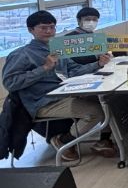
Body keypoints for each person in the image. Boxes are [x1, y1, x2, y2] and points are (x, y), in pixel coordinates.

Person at [2, 11, 112, 162]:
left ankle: (103, 141)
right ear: (31, 30)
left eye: (52, 27)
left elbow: (73, 70)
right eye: (43, 28)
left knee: (106, 100)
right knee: (96, 112)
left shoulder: (57, 49)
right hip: (44, 101)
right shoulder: (21, 54)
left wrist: (98, 64)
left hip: (65, 93)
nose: (49, 31)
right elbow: (10, 82)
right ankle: (64, 141)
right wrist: (44, 68)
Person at [64, 7, 116, 156]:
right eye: (87, 19)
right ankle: (67, 141)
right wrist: (97, 62)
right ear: (79, 21)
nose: (91, 22)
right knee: (106, 101)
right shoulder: (69, 40)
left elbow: (103, 57)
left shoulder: (96, 38)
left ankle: (105, 139)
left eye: (94, 20)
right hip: (79, 82)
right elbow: (74, 67)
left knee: (112, 100)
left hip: (97, 77)